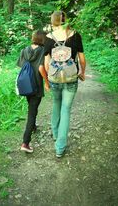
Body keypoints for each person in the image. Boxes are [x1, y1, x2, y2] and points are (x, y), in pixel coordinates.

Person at [44, 11, 86, 158]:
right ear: (65, 19)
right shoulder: (75, 35)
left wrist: (48, 79)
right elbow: (82, 59)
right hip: (70, 77)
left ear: (53, 21)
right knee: (65, 109)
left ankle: (55, 134)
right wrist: (82, 73)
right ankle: (60, 147)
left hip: (54, 78)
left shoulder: (48, 38)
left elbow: (46, 62)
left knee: (56, 103)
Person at [17, 30, 49, 153]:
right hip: (36, 85)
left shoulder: (24, 50)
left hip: (25, 84)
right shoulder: (42, 51)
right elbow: (41, 68)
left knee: (31, 106)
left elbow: (21, 65)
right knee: (32, 111)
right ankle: (25, 142)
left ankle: (33, 127)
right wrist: (46, 82)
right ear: (43, 39)